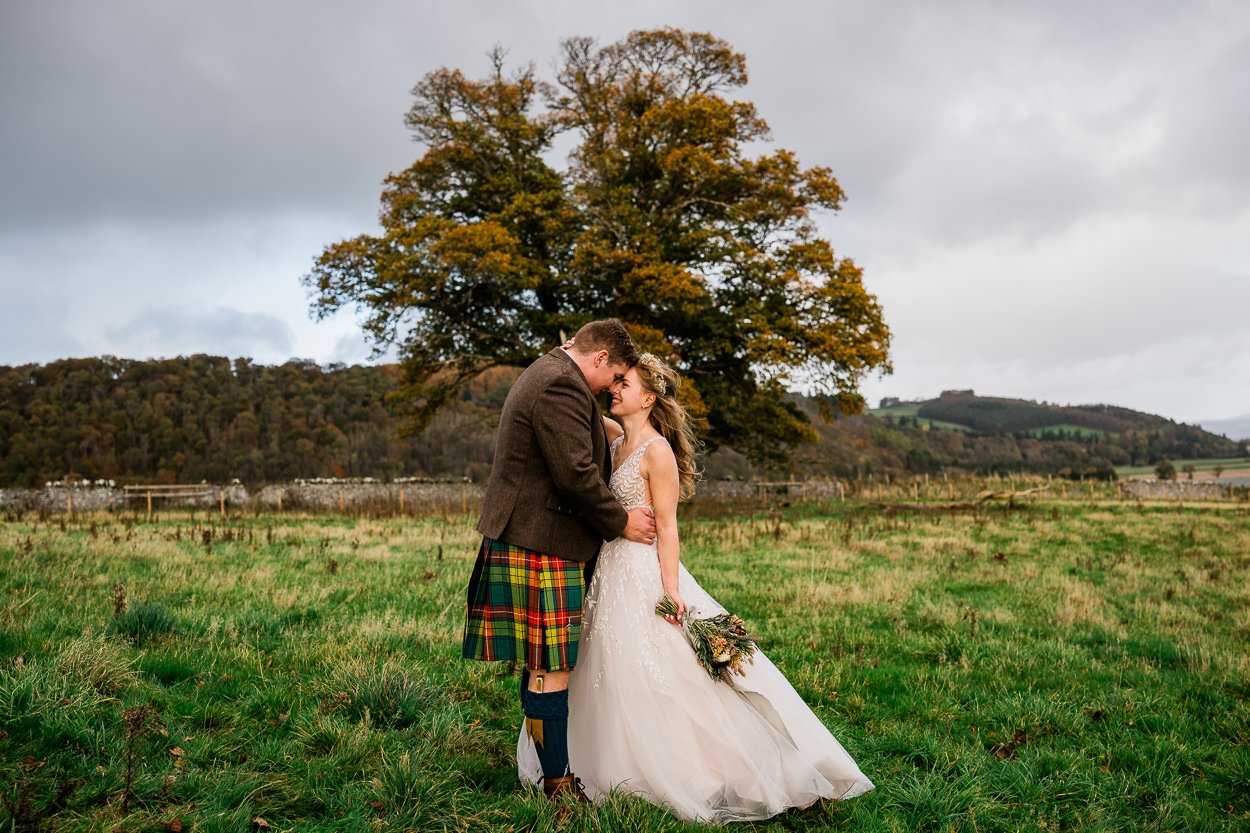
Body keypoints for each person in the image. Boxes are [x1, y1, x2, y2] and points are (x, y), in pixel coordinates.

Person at [518, 353, 874, 822]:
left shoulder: (656, 452)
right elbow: (578, 400)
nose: (615, 389)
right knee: (603, 665)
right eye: (615, 381)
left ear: (649, 397)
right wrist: (569, 357)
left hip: (644, 572)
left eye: (625, 383)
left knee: (662, 671)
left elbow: (668, 527)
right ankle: (595, 764)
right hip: (607, 570)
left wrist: (671, 592)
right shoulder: (615, 438)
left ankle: (698, 767)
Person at [462, 319, 658, 802]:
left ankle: (546, 771)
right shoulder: (559, 386)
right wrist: (622, 522)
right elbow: (575, 474)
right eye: (613, 378)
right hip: (539, 540)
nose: (612, 389)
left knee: (542, 665)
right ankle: (557, 785)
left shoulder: (554, 373)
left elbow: (580, 444)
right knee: (551, 666)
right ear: (598, 359)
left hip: (531, 536)